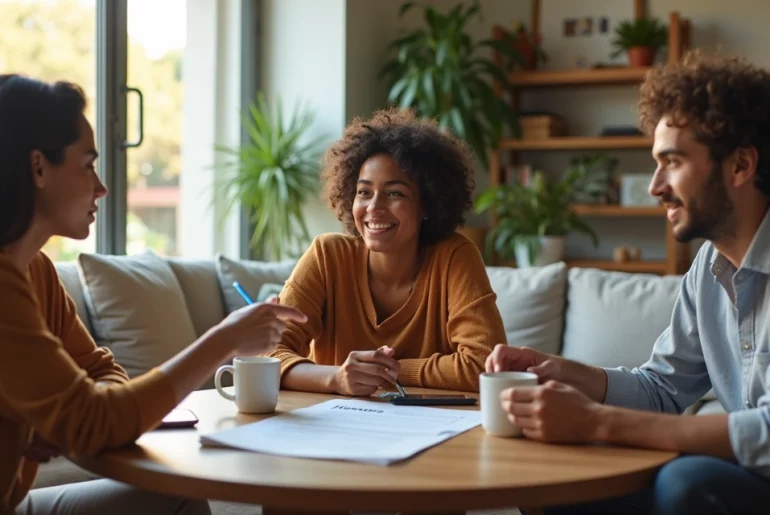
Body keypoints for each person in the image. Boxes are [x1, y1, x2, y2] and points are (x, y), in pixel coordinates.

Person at [0, 74, 307, 515]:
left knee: (178, 496)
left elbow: (98, 369)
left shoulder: (37, 272)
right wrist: (225, 339)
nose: (101, 187)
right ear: (38, 168)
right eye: (87, 164)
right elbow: (94, 422)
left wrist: (60, 417)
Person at [486, 50, 770, 514]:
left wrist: (598, 423)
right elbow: (662, 389)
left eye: (672, 161)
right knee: (554, 482)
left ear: (740, 165)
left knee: (688, 483)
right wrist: (560, 370)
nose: (656, 185)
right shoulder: (707, 267)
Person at [266, 108, 506, 396]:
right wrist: (338, 378)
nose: (374, 208)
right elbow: (268, 354)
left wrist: (385, 371)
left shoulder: (455, 257)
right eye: (364, 192)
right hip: (334, 428)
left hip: (433, 431)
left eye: (395, 194)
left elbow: (484, 365)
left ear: (426, 205)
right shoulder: (326, 256)